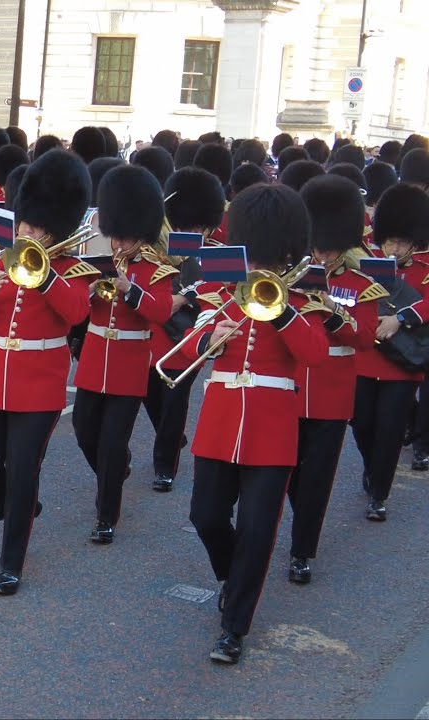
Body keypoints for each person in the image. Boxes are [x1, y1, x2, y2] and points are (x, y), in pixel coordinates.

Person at [181, 184, 327, 664]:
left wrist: (282, 310)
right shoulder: (219, 287)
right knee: (205, 515)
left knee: (259, 531)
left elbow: (315, 355)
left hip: (272, 426)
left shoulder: (304, 293)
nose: (260, 265)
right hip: (221, 416)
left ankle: (234, 628)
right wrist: (209, 338)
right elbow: (184, 350)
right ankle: (231, 577)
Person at [0, 149, 95, 596]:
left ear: (53, 230)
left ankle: (10, 563)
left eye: (34, 227)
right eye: (24, 224)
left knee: (21, 472)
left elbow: (76, 313)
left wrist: (45, 278)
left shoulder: (70, 269)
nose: (25, 232)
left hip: (39, 384)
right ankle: (22, 510)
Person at [71, 165, 175, 543]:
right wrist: (87, 290)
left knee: (113, 443)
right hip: (96, 355)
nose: (116, 244)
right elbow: (80, 312)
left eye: (123, 237)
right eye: (114, 236)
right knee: (84, 432)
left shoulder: (157, 271)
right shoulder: (99, 261)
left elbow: (161, 312)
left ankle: (106, 514)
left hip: (130, 362)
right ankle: (115, 472)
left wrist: (130, 290)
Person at [288, 175, 382, 584]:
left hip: (331, 391)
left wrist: (329, 310)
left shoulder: (361, 286)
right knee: (287, 472)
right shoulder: (289, 277)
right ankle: (297, 523)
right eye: (317, 245)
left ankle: (302, 551)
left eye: (328, 248)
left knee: (317, 477)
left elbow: (364, 338)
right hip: (291, 386)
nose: (322, 253)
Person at [144, 167, 226, 492]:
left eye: (202, 227)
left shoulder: (216, 252)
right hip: (156, 334)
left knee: (175, 404)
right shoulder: (159, 244)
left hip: (191, 335)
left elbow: (224, 290)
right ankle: (173, 437)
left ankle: (164, 466)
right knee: (151, 398)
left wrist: (188, 295)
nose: (199, 231)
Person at [352, 184, 429, 521]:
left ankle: (379, 493)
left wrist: (400, 318)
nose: (394, 248)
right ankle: (372, 468)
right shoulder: (366, 259)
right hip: (366, 357)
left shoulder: (424, 267)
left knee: (391, 429)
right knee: (362, 423)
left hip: (402, 363)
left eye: (401, 242)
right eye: (390, 241)